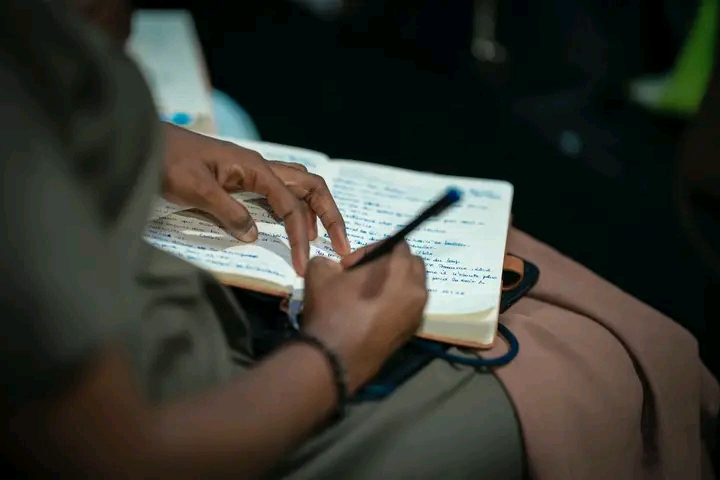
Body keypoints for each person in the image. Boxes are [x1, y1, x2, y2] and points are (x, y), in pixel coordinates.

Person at [2, 1, 718, 479]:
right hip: (211, 421)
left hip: (179, 340)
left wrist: (151, 141)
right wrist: (336, 351)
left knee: (593, 322)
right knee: (601, 365)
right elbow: (127, 457)